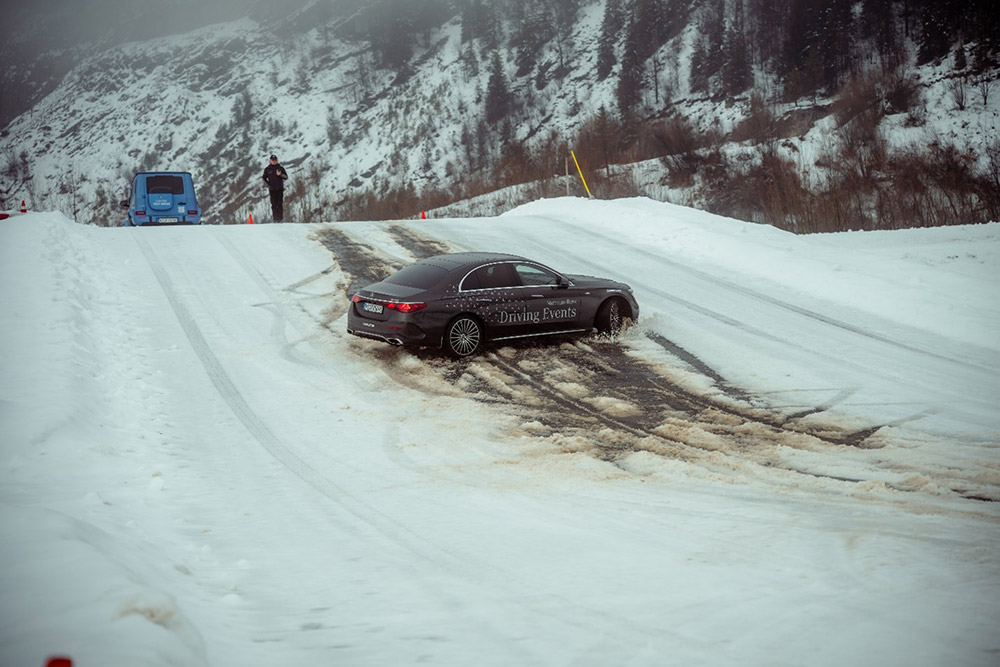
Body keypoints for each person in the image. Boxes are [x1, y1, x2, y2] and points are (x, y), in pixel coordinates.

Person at [262, 154, 288, 222]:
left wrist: (280, 175)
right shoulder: (267, 169)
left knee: (279, 204)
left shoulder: (280, 168)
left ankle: (280, 219)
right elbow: (264, 178)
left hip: (280, 189)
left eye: (275, 160)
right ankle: (275, 219)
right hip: (272, 189)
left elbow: (286, 177)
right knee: (274, 204)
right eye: (272, 160)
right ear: (270, 161)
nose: (274, 161)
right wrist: (268, 184)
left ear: (277, 160)